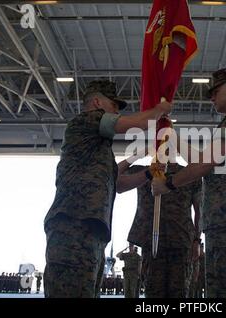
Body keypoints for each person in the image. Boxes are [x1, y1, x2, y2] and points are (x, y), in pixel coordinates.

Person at [43, 79, 172, 298]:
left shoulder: (98, 149)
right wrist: (159, 109)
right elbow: (136, 124)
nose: (116, 111)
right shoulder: (85, 121)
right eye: (114, 105)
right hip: (73, 224)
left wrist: (149, 173)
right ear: (96, 102)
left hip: (90, 229)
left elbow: (119, 184)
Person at [152, 68, 226, 298]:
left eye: (215, 91)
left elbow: (206, 163)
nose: (211, 97)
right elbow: (203, 160)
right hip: (225, 220)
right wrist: (173, 137)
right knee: (218, 292)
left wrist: (169, 184)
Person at [121, 160, 202, 298]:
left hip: (180, 244)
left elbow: (199, 211)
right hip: (152, 245)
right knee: (153, 292)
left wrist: (196, 240)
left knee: (180, 293)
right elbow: (116, 173)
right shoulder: (144, 172)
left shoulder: (187, 175)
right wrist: (137, 155)